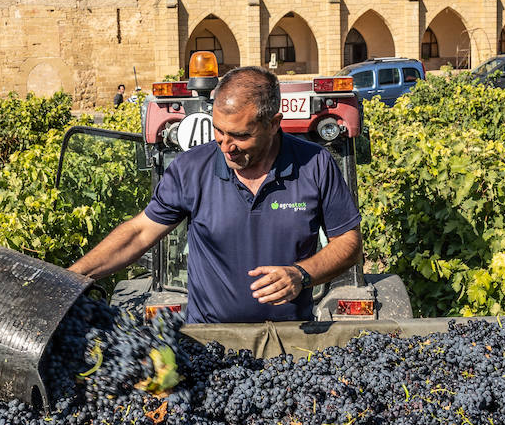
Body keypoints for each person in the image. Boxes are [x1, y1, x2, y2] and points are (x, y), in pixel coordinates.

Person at [70, 67, 362, 324]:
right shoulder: (191, 169)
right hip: (209, 341)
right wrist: (71, 278)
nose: (226, 146)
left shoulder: (315, 164)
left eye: (241, 135)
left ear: (274, 124)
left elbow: (349, 243)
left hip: (291, 339)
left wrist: (302, 274)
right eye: (219, 131)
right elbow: (139, 233)